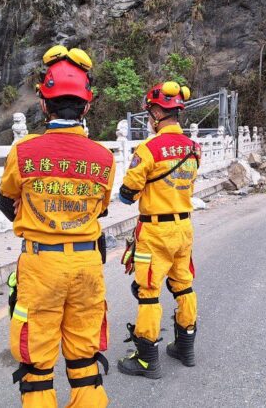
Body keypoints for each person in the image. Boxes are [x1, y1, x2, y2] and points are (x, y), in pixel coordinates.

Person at [0, 45, 115, 407]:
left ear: (44, 104)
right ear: (87, 105)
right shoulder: (104, 158)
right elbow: (100, 211)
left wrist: (35, 220)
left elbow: (6, 200)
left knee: (37, 368)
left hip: (40, 266)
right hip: (86, 266)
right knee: (84, 361)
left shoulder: (23, 151)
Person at [118, 81, 200, 379]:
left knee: (149, 293)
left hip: (155, 232)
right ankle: (185, 346)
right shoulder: (194, 148)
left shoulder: (148, 148)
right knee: (184, 286)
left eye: (150, 113)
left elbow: (128, 194)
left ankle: (146, 359)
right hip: (183, 228)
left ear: (156, 113)